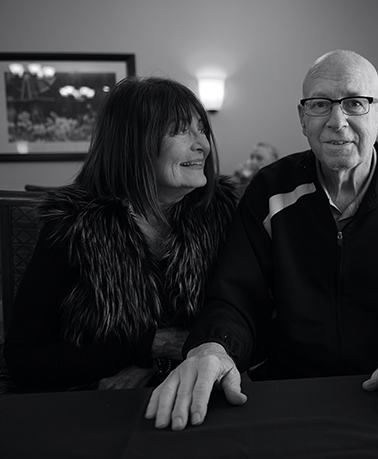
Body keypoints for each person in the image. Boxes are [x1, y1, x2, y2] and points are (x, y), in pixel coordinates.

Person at [145, 49, 378, 431]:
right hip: (287, 391)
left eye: (356, 103)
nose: (337, 121)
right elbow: (236, 297)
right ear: (302, 118)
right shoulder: (270, 192)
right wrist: (213, 346)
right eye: (320, 104)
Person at [2, 76, 241, 392]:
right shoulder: (74, 226)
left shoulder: (221, 212)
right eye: (181, 130)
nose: (202, 144)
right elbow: (24, 359)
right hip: (91, 404)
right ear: (133, 142)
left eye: (202, 128)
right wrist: (150, 345)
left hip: (198, 393)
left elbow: (247, 321)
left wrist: (159, 364)